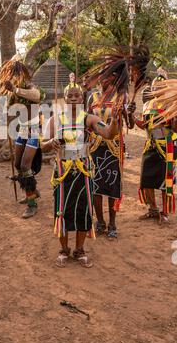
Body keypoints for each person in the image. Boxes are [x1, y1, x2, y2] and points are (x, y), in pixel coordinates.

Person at [42, 86, 119, 267]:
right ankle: (63, 250)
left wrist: (115, 118)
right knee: (61, 209)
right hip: (62, 171)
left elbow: (109, 133)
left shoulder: (90, 119)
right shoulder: (55, 120)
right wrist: (51, 142)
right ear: (65, 98)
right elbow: (42, 145)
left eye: (77, 95)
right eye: (70, 95)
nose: (74, 98)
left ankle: (80, 250)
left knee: (84, 209)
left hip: (84, 170)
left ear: (82, 98)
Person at [0, 54, 45, 219]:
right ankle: (32, 191)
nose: (15, 78)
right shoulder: (13, 92)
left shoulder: (29, 86)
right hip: (22, 130)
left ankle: (32, 204)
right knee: (17, 163)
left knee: (24, 165)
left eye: (16, 74)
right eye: (12, 75)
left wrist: (15, 90)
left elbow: (37, 96)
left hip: (34, 130)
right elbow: (7, 110)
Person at [87, 80, 136, 239]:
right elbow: (87, 122)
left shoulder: (121, 98)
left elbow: (130, 124)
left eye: (109, 77)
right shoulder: (92, 97)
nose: (104, 80)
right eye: (103, 77)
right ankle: (100, 222)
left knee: (113, 185)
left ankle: (112, 224)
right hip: (95, 148)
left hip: (114, 148)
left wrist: (129, 113)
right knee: (96, 185)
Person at [135, 76, 177, 223]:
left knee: (164, 182)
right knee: (145, 179)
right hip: (150, 145)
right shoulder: (148, 104)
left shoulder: (172, 104)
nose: (157, 89)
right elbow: (145, 126)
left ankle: (165, 213)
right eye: (155, 86)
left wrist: (176, 120)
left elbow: (176, 129)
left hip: (166, 146)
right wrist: (131, 116)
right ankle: (153, 209)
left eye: (161, 86)